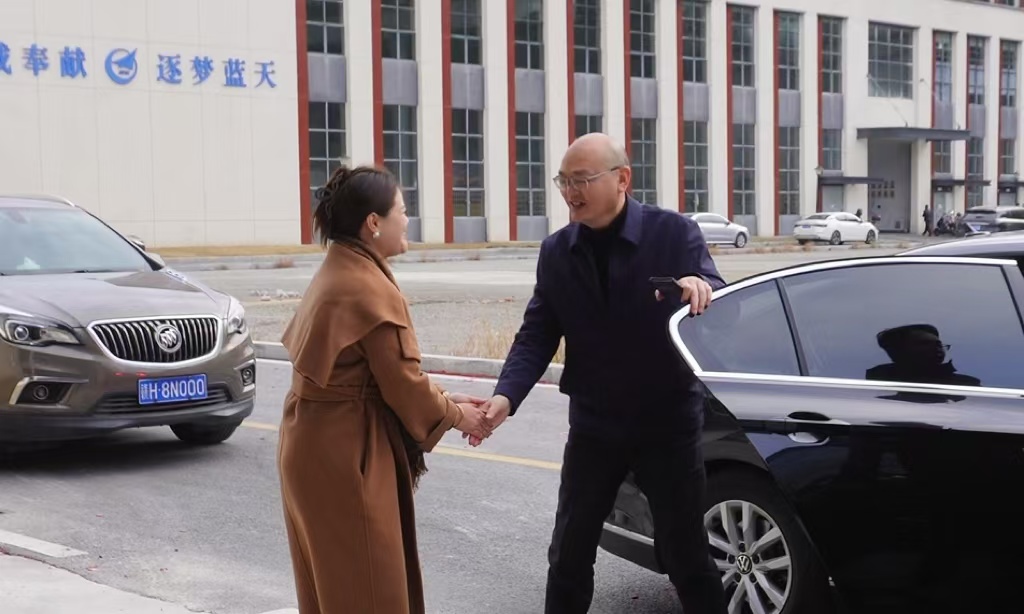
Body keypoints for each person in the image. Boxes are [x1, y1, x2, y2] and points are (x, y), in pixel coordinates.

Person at [471, 133, 729, 613]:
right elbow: (537, 333)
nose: (571, 192)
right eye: (563, 181)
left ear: (622, 179)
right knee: (569, 552)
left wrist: (702, 284)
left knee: (686, 554)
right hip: (595, 424)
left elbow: (714, 290)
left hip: (667, 424)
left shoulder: (674, 234)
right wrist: (506, 396)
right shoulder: (557, 251)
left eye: (582, 180)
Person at [277, 165, 493, 614]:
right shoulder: (368, 287)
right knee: (370, 592)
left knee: (335, 590)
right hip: (346, 455)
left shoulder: (339, 267)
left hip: (314, 444)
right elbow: (404, 387)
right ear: (373, 223)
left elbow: (374, 377)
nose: (407, 219)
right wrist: (460, 416)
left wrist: (447, 401)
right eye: (402, 210)